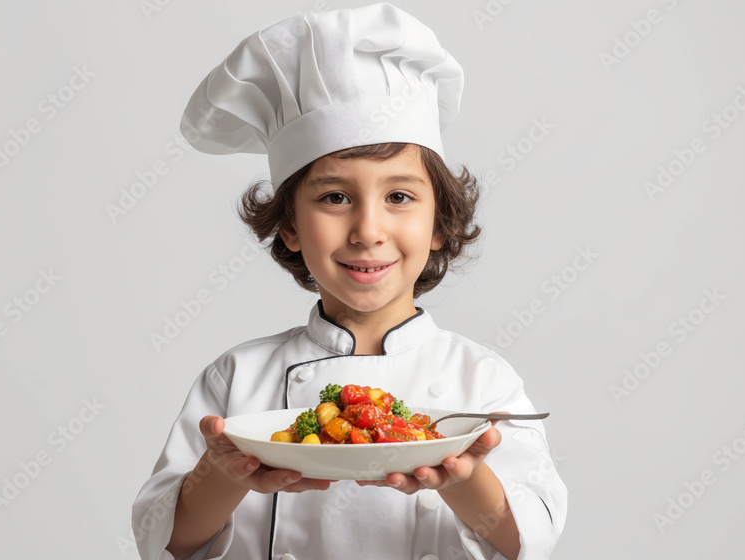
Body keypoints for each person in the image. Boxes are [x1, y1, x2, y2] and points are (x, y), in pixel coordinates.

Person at [131, 4, 567, 559]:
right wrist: (223, 472)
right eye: (335, 197)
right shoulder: (237, 380)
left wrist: (460, 478)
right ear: (289, 225)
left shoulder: (483, 383)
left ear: (440, 223)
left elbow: (531, 539)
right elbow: (164, 543)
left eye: (399, 197)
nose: (368, 230)